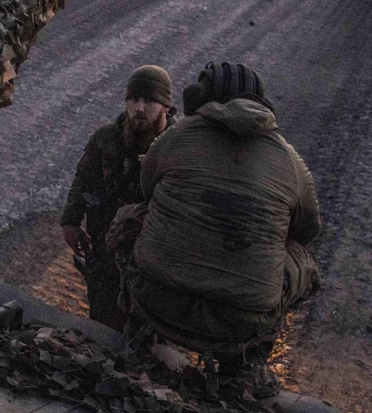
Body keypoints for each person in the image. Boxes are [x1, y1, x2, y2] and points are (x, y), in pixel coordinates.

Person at [123, 62, 321, 388]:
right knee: (303, 260)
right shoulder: (288, 159)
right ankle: (245, 364)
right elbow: (307, 230)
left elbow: (148, 190)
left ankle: (139, 335)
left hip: (158, 300)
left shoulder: (177, 136)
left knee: (130, 218)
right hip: (239, 323)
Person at [60, 65, 176, 330]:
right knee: (103, 320)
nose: (139, 108)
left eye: (149, 101)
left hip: (152, 253)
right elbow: (83, 178)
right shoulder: (106, 137)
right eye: (134, 100)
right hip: (104, 248)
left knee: (147, 325)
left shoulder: (178, 145)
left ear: (166, 107)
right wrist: (71, 222)